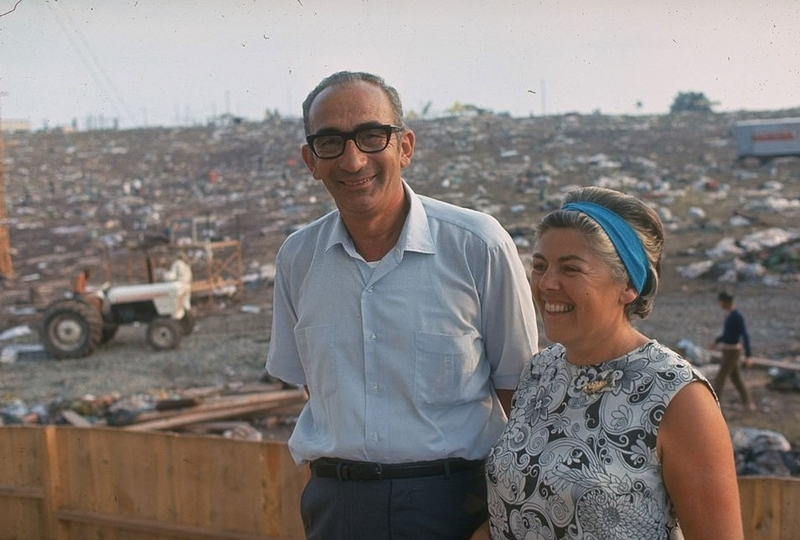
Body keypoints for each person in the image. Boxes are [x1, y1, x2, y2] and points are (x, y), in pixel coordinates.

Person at [265, 71, 539, 540]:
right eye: (331, 142)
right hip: (339, 508)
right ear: (311, 160)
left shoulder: (477, 246)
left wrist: (505, 519)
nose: (353, 160)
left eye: (372, 136)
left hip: (458, 505)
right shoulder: (298, 258)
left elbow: (521, 397)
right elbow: (317, 386)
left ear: (405, 146)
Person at [474, 187, 743, 539]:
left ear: (628, 285)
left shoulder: (676, 396)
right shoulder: (539, 373)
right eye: (539, 266)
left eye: (571, 269)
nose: (546, 283)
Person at [710, 291, 755, 411]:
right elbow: (727, 334)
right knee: (736, 378)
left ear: (725, 302)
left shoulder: (737, 316)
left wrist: (749, 355)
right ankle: (748, 403)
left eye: (721, 302)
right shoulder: (729, 315)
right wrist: (717, 341)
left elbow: (745, 335)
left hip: (732, 352)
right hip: (727, 350)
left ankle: (714, 405)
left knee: (720, 378)